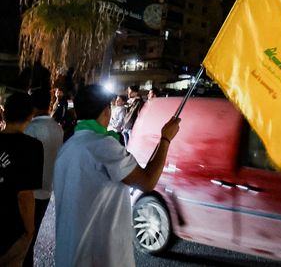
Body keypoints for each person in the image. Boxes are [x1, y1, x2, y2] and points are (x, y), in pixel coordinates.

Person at [53, 84, 180, 266]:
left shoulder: (67, 148)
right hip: (100, 258)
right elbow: (147, 182)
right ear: (106, 111)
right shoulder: (103, 146)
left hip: (68, 256)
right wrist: (166, 139)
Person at [0, 93, 43, 267]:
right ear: (30, 116)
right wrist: (30, 230)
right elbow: (25, 195)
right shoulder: (32, 147)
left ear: (4, 114)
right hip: (11, 229)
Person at [22, 87, 63, 267]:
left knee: (23, 238)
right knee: (33, 234)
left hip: (29, 191)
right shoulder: (57, 128)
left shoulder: (30, 128)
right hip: (46, 189)